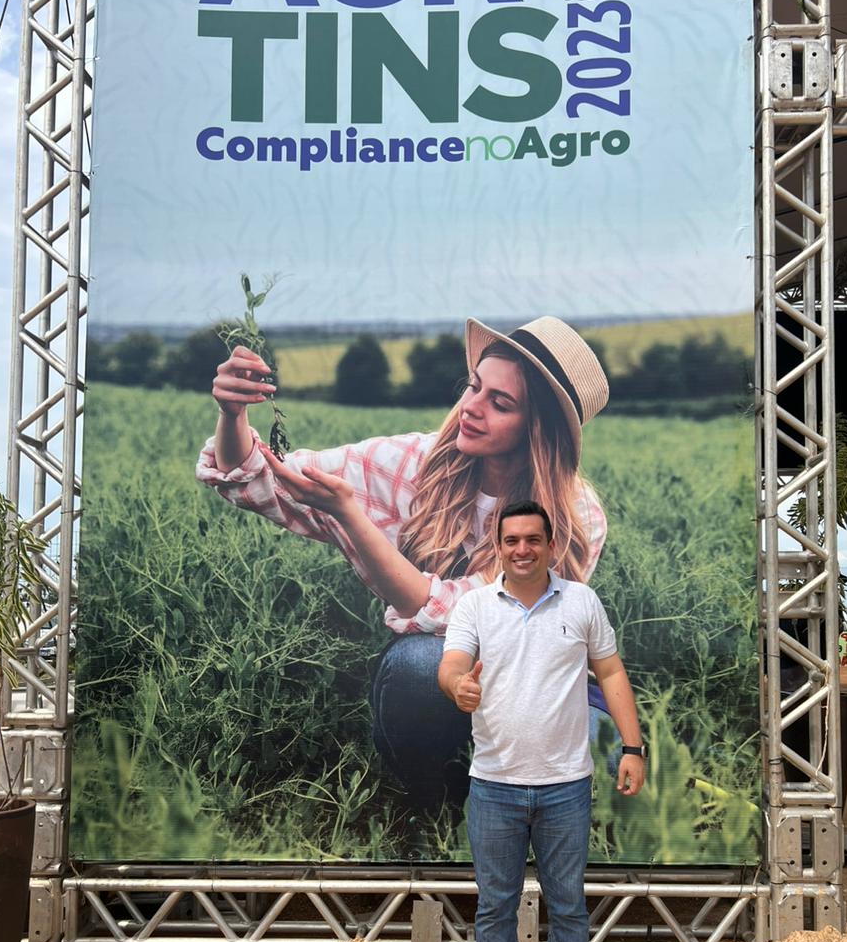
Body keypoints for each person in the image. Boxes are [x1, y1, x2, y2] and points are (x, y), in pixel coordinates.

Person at [197, 317, 610, 821]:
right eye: (474, 387)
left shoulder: (573, 516)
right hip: (444, 683)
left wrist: (348, 513)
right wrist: (233, 414)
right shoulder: (416, 461)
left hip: (538, 694)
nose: (471, 408)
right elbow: (263, 477)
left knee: (605, 783)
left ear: (538, 430)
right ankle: (436, 811)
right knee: (419, 666)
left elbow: (470, 615)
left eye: (500, 404)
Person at [439, 500, 645, 942]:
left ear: (551, 546)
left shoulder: (581, 602)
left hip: (565, 785)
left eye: (533, 539)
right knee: (494, 907)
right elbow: (451, 664)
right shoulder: (475, 606)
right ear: (498, 547)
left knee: (569, 906)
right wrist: (457, 686)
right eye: (512, 540)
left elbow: (611, 672)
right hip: (495, 785)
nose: (522, 550)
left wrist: (632, 747)